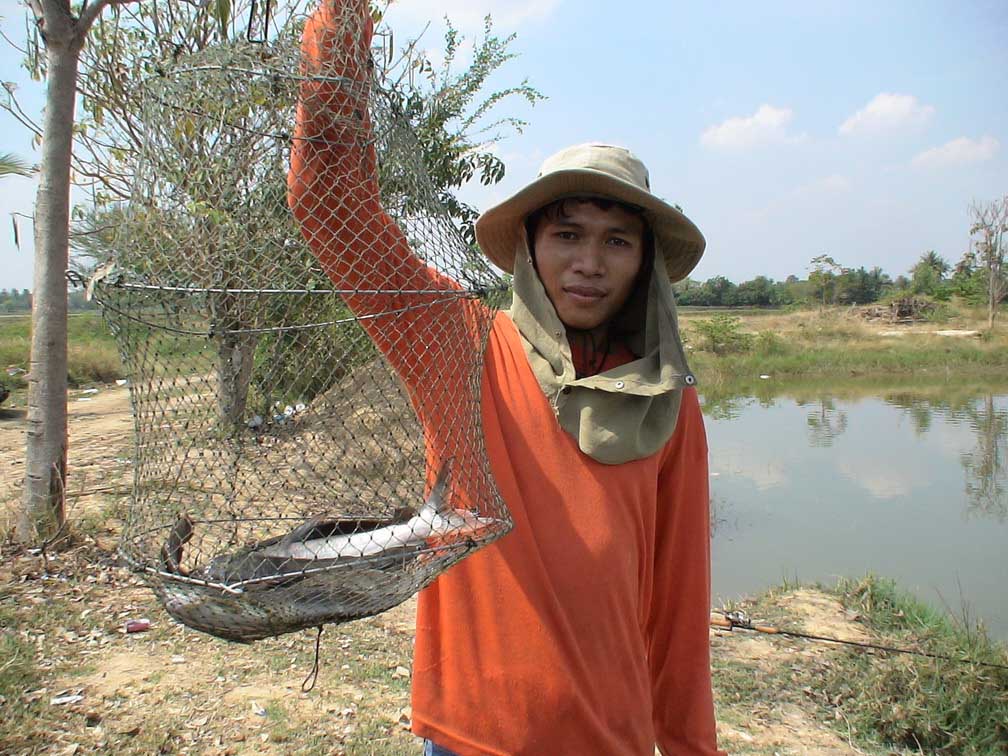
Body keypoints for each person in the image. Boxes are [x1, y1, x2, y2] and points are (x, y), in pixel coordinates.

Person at [288, 2, 725, 754]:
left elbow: (678, 616)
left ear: (645, 263)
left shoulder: (669, 409)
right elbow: (331, 205)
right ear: (527, 247)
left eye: (617, 241)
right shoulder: (460, 350)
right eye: (566, 235)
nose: (589, 262)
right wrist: (342, 16)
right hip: (471, 741)